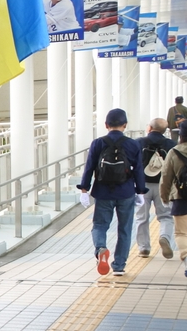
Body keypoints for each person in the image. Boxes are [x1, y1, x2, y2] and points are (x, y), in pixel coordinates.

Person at [78, 108, 147, 276]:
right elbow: (138, 169)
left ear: (106, 125)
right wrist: (140, 191)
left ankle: (101, 248)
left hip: (103, 192)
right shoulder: (133, 144)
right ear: (125, 125)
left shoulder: (98, 143)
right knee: (125, 229)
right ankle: (119, 266)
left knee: (100, 225)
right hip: (126, 192)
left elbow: (89, 167)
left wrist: (84, 189)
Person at [134, 118, 174, 258]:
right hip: (164, 185)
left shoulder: (139, 142)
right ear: (165, 130)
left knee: (141, 217)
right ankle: (164, 237)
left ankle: (144, 248)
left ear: (149, 128)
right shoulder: (171, 144)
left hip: (142, 186)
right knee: (166, 216)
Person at [159, 120, 187, 273]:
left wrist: (164, 198)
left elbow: (165, 177)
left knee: (182, 233)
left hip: (180, 198)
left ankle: (186, 257)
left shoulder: (174, 152)